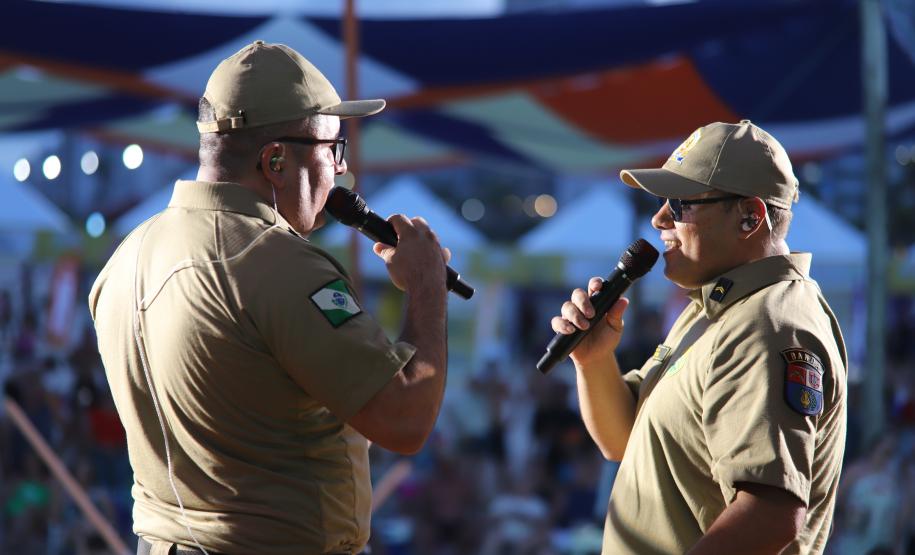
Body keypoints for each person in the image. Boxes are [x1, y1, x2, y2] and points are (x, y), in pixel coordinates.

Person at [88, 41, 449, 555]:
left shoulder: (126, 257)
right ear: (275, 160)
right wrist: (428, 288)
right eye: (332, 149)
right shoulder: (277, 264)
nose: (341, 171)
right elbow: (405, 420)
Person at [550, 120, 847, 554]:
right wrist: (593, 360)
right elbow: (622, 441)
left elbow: (769, 513)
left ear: (750, 216)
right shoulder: (720, 307)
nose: (659, 217)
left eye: (680, 203)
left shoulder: (767, 324)